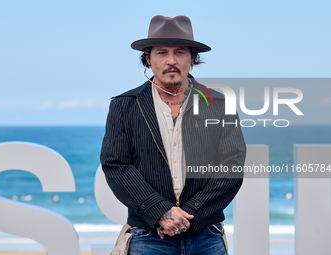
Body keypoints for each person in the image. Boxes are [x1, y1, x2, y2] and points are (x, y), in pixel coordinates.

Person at [100, 15, 246, 255]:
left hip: (206, 235)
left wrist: (189, 214)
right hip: (147, 235)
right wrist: (159, 211)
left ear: (192, 58)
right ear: (148, 57)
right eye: (161, 53)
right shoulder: (125, 105)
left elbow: (232, 165)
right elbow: (116, 165)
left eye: (179, 52)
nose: (171, 61)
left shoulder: (219, 103)